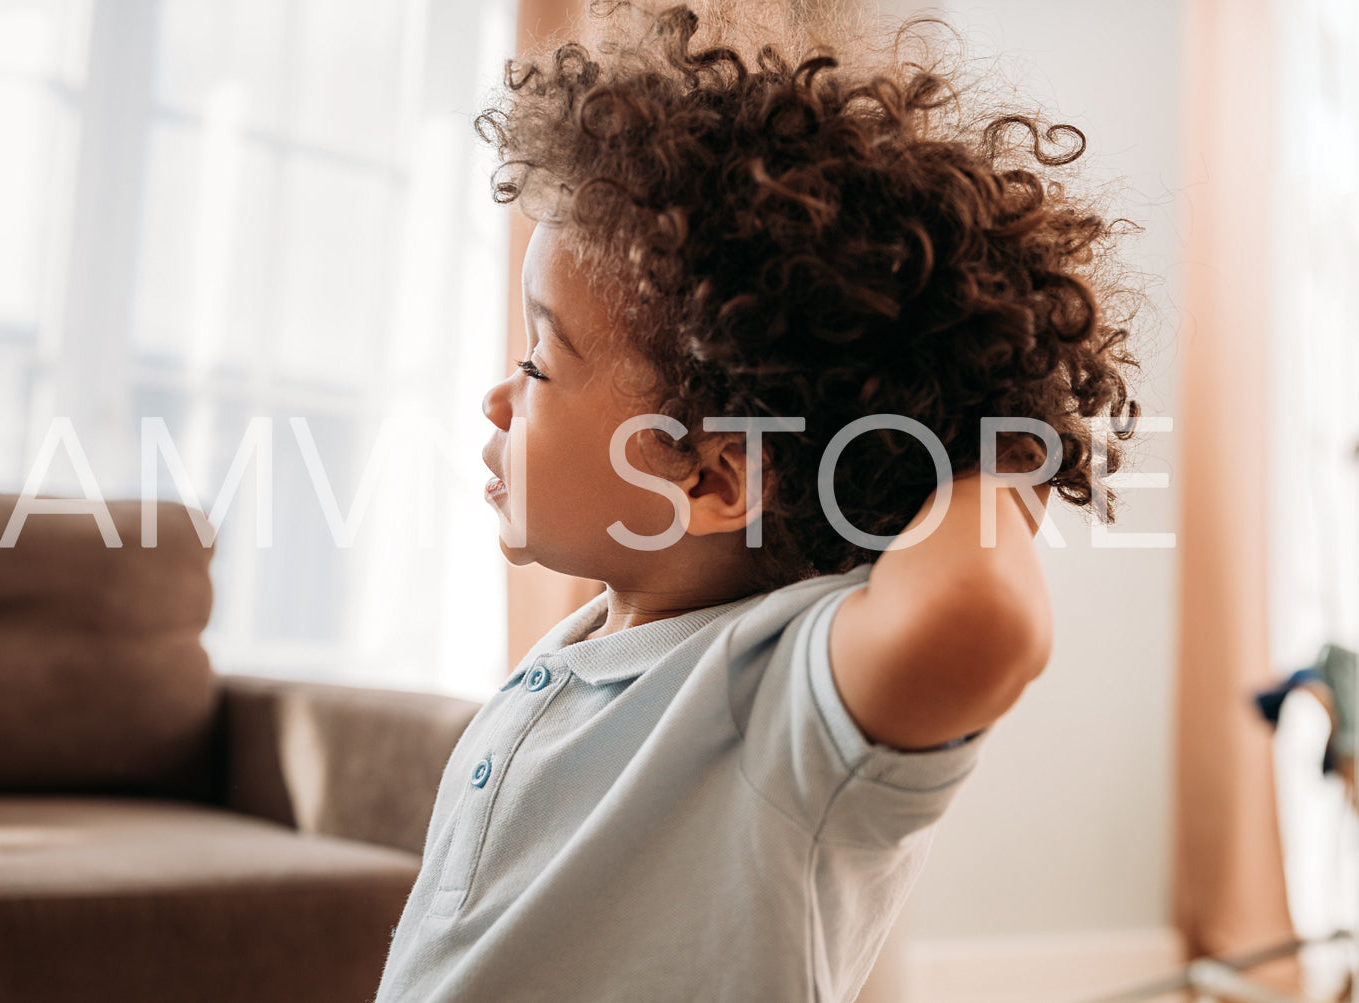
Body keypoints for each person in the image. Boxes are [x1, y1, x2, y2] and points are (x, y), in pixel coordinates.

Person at [375, 3, 1140, 999]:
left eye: (538, 357)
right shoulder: (584, 656)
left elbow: (974, 613)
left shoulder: (772, 698)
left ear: (708, 477)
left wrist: (997, 439)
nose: (497, 392)